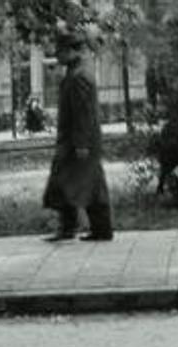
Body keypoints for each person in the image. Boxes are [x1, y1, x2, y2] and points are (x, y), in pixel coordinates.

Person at [41, 29, 113, 243]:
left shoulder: (80, 76)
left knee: (80, 183)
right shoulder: (76, 72)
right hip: (77, 141)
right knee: (76, 183)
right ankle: (79, 228)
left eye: (60, 51)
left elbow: (83, 113)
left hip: (79, 142)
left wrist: (81, 143)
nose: (57, 56)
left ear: (71, 51)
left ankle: (89, 229)